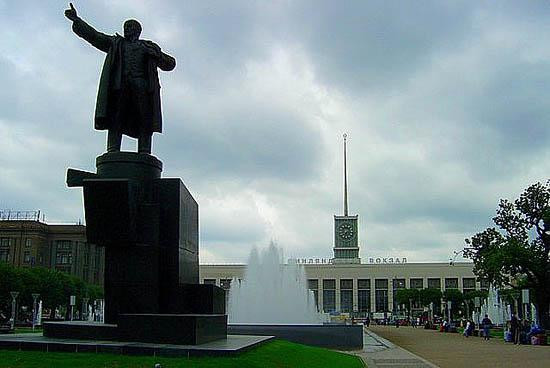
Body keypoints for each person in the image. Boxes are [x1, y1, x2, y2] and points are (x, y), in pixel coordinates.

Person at [64, 3, 176, 154]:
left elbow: (170, 64)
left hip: (142, 86)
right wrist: (77, 21)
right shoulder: (116, 43)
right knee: (116, 116)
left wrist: (157, 55)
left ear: (138, 31)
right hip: (120, 86)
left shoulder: (148, 46)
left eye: (130, 27)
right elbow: (95, 36)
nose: (126, 29)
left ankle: (144, 151)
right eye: (125, 27)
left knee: (144, 118)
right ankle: (113, 149)